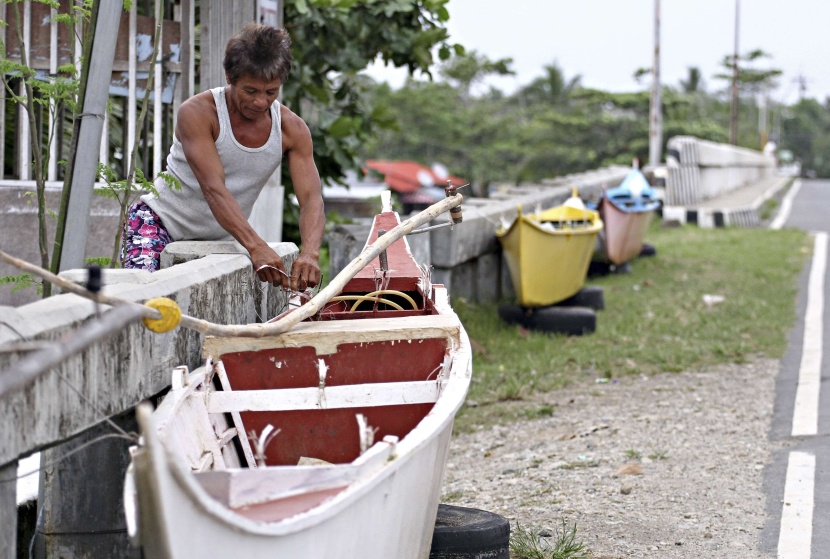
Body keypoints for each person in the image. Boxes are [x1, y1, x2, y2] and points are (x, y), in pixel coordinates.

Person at [121, 23, 325, 292]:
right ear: (230, 77)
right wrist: (255, 245)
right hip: (159, 223)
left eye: (271, 92)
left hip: (223, 237)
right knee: (140, 298)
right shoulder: (198, 113)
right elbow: (213, 188)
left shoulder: (291, 129)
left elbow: (311, 198)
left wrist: (310, 253)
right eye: (251, 91)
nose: (261, 102)